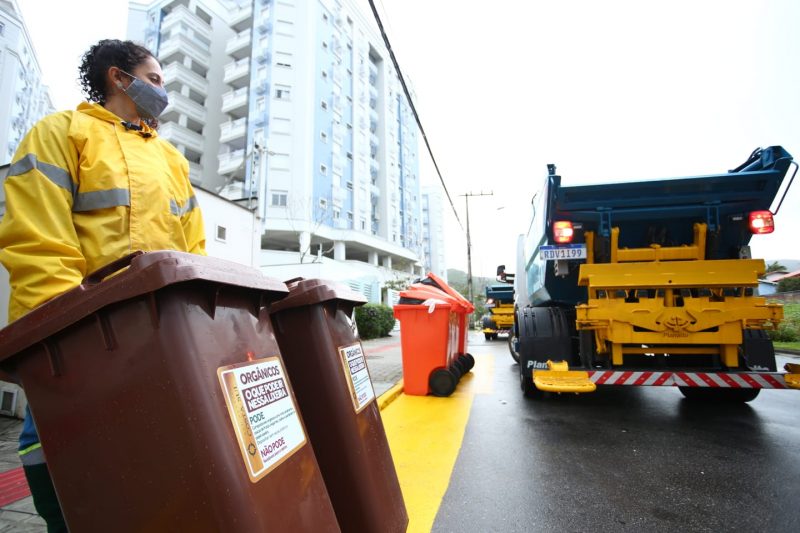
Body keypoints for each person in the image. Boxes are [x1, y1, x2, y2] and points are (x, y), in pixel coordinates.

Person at [0, 39, 206, 531]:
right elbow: (39, 241)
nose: (163, 92)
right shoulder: (61, 134)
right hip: (82, 338)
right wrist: (59, 339)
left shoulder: (172, 162)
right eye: (155, 80)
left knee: (151, 463)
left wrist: (194, 323)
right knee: (61, 454)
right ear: (119, 78)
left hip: (158, 338)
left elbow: (192, 252)